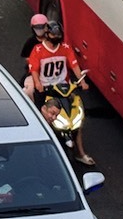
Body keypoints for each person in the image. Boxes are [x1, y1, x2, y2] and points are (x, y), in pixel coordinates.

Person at [27, 21, 93, 164]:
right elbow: (34, 70)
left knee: (76, 118)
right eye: (53, 34)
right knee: (43, 118)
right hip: (46, 88)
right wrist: (38, 84)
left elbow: (74, 64)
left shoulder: (65, 48)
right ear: (47, 34)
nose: (56, 37)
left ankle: (80, 153)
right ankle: (42, 147)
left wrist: (82, 81)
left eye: (58, 35)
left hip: (64, 87)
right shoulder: (38, 50)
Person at [20, 14, 50, 99]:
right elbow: (27, 58)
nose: (39, 30)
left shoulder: (51, 40)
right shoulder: (30, 42)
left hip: (52, 73)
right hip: (35, 72)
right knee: (29, 91)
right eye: (37, 28)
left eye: (42, 27)